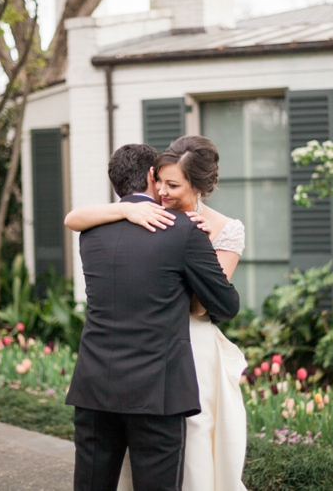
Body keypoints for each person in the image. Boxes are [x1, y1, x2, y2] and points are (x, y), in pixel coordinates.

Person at [65, 135, 249, 491]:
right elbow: (224, 305)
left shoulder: (91, 232)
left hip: (95, 381)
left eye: (173, 184)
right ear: (152, 175)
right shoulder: (184, 231)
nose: (164, 191)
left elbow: (74, 218)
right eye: (161, 181)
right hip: (159, 382)